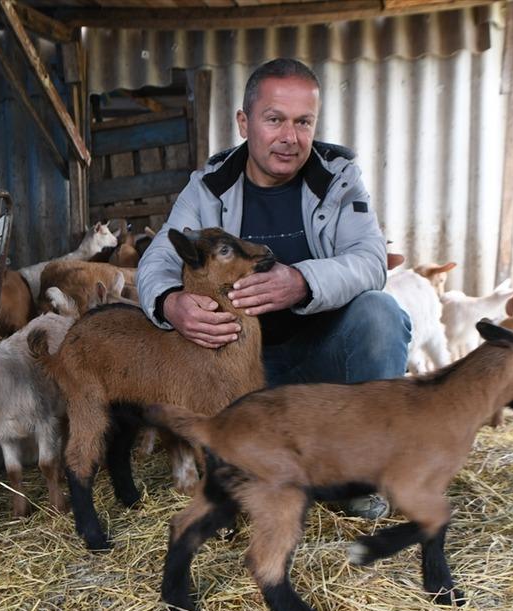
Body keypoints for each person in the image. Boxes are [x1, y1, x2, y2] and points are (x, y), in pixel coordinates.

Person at [136, 58, 410, 517]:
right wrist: (170, 303)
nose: (290, 137)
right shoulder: (209, 185)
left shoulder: (338, 178)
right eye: (275, 119)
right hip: (237, 369)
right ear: (244, 123)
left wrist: (302, 281)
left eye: (304, 122)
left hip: (322, 360)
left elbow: (370, 260)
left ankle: (358, 476)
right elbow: (159, 259)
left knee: (381, 315)